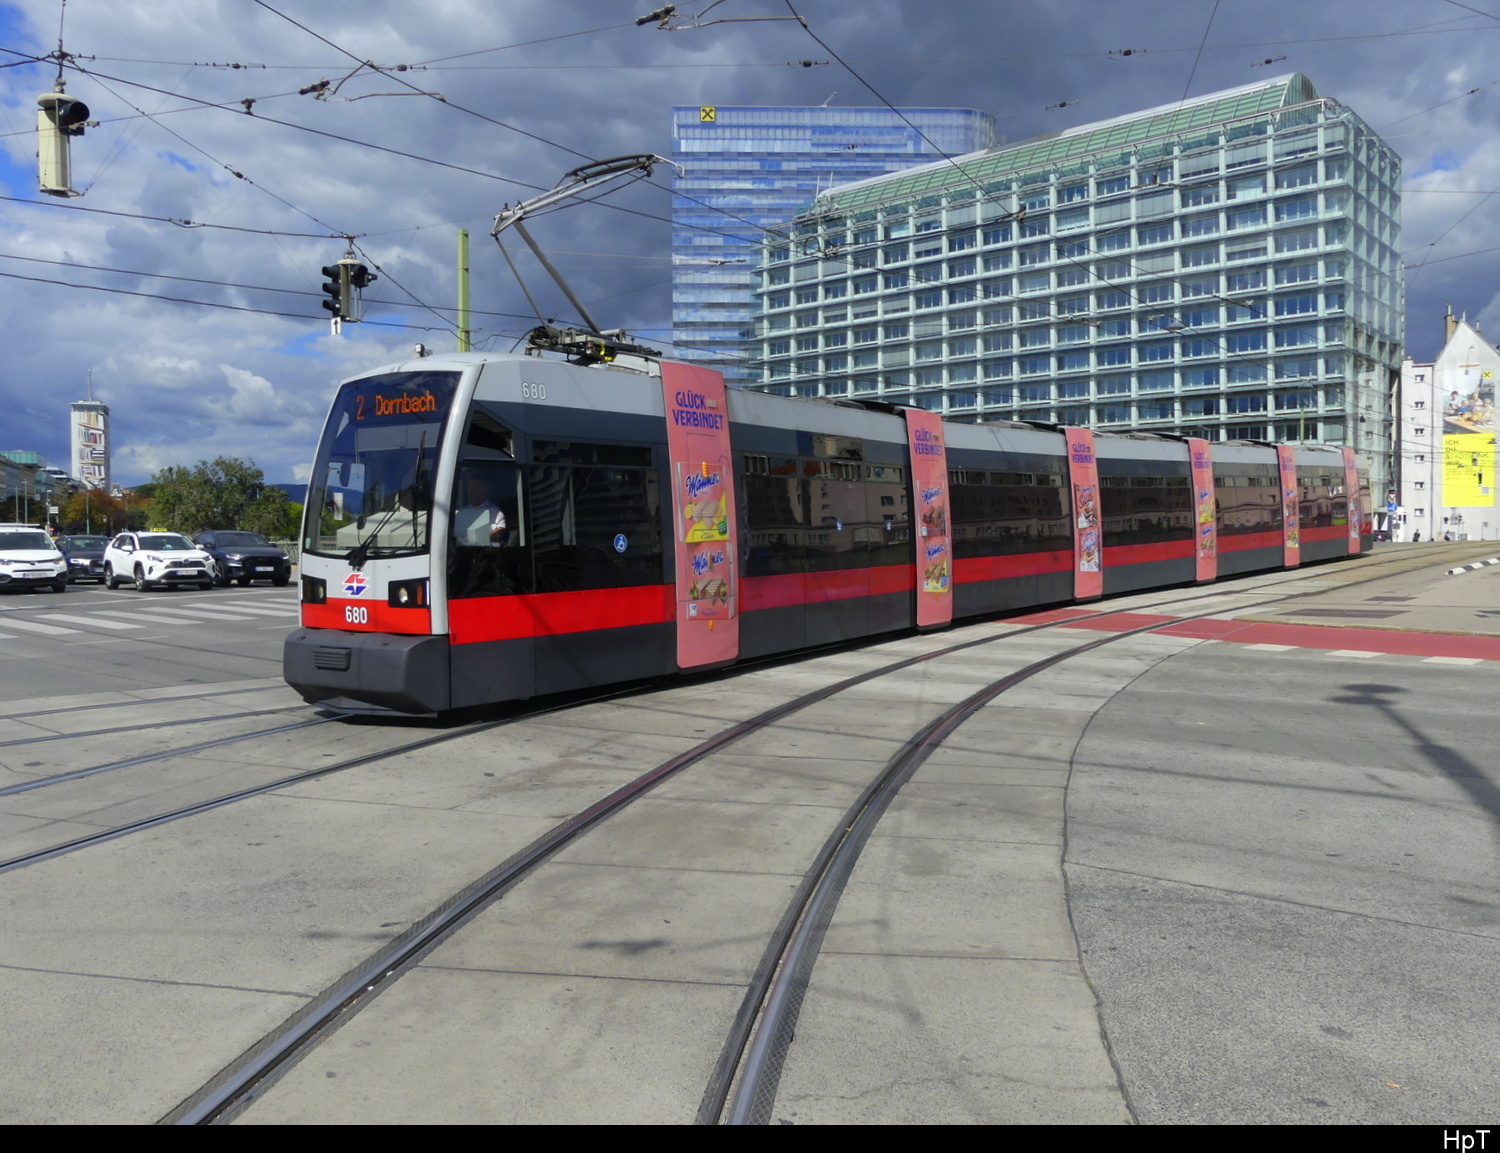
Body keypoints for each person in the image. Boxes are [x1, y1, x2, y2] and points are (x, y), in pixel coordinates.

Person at [454, 473, 510, 547]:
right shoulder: (461, 512)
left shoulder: (495, 512)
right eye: (469, 489)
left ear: (484, 490)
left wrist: (480, 539)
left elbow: (499, 534)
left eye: (474, 489)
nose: (470, 493)